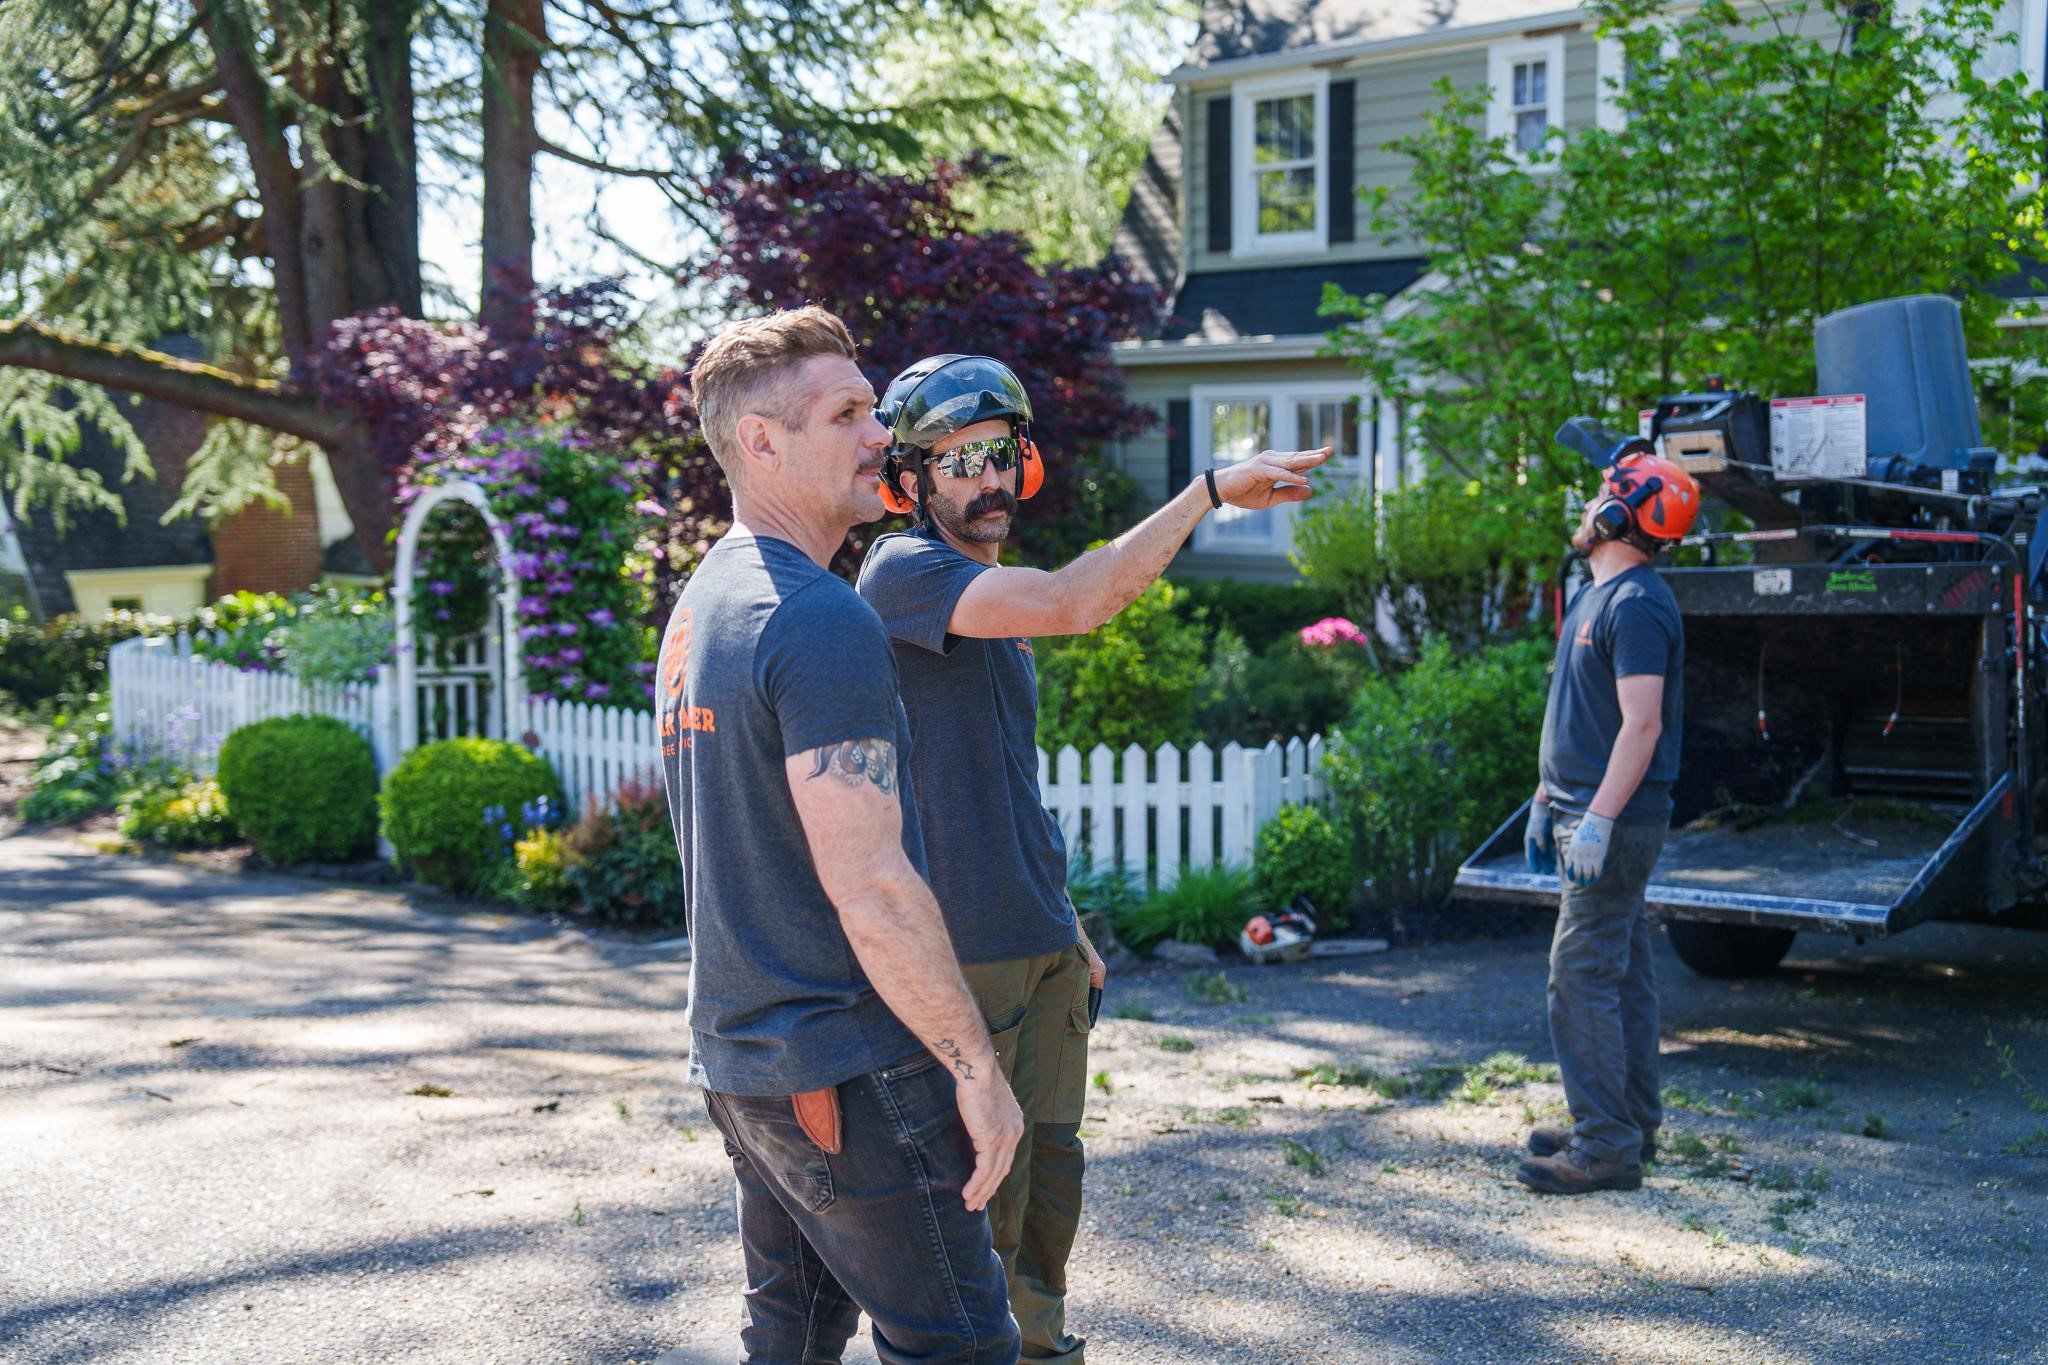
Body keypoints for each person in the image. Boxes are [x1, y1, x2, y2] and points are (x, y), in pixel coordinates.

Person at [854, 353, 1327, 1361]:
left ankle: (1045, 1350)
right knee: (976, 1212)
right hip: (964, 959)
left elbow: (1004, 779)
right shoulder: (902, 574)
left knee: (1046, 1200)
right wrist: (1204, 494)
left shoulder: (988, 594)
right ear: (910, 482)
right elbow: (1080, 598)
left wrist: (1063, 918)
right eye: (958, 461)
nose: (987, 479)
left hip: (1040, 947)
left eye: (999, 454)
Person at [660, 310, 1024, 1362]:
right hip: (846, 1072)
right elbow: (870, 883)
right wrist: (976, 1070)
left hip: (744, 1063)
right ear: (761, 442)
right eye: (848, 414)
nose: (881, 435)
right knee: (962, 1346)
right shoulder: (818, 617)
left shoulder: (706, 600)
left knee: (792, 1340)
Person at [1518, 449, 1698, 1195]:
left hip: (1611, 822)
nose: (1588, 507)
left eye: (1600, 497)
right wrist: (1543, 798)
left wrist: (1596, 820)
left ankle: (1605, 1147)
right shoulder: (1599, 595)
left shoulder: (1637, 606)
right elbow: (1582, 714)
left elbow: (1641, 726)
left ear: (1622, 515)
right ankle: (1629, 1124)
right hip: (1581, 809)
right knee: (1621, 976)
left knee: (1580, 976)